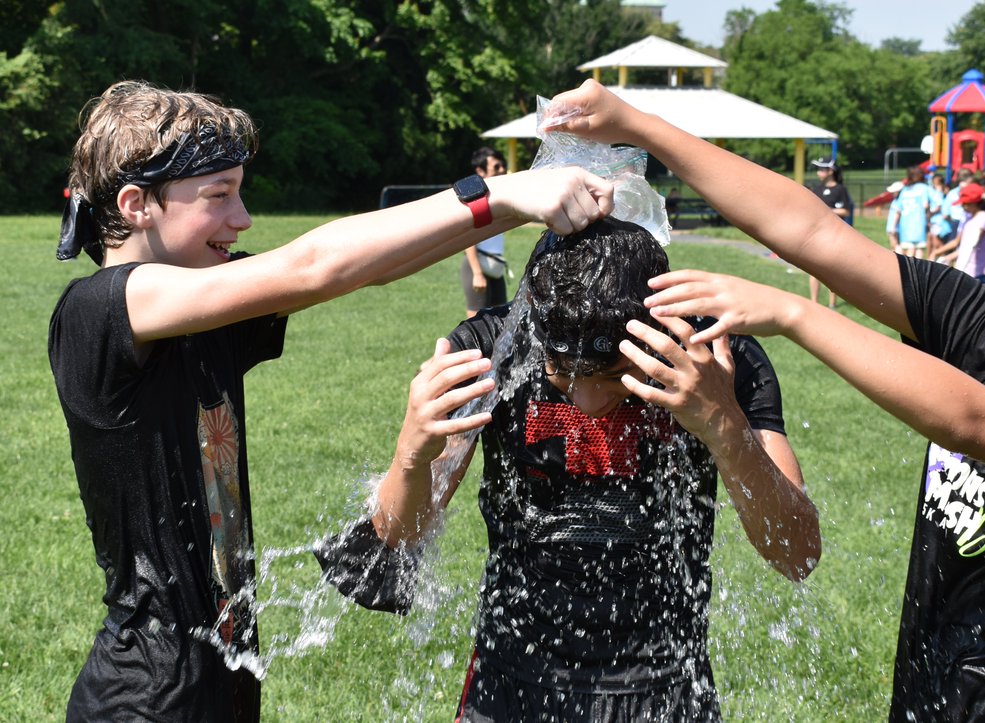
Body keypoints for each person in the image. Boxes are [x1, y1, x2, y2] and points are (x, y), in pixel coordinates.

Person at [546, 78, 985, 722]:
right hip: (930, 688)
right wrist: (637, 125)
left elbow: (970, 419)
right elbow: (813, 233)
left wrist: (793, 313)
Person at [48, 80, 613, 722]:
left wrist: (530, 206)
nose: (243, 218)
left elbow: (362, 265)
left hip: (219, 677)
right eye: (218, 196)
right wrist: (498, 195)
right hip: (143, 692)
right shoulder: (100, 310)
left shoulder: (199, 309)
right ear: (136, 204)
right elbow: (313, 264)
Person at [317, 217, 820, 721]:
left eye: (615, 376)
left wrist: (725, 426)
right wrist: (411, 453)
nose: (589, 399)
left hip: (665, 681)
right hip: (511, 673)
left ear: (658, 327)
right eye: (563, 375)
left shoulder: (716, 361)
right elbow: (401, 540)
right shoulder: (494, 349)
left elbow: (796, 554)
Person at [462, 147, 509, 318]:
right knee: (476, 322)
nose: (502, 169)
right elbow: (469, 239)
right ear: (480, 171)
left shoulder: (498, 197)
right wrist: (477, 273)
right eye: (496, 167)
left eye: (503, 165)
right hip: (478, 265)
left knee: (501, 320)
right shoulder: (476, 199)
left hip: (495, 267)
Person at [931, 182, 985, 287]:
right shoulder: (967, 218)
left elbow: (972, 244)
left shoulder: (983, 217)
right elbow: (957, 243)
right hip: (967, 271)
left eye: (965, 203)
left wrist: (957, 262)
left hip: (981, 272)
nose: (962, 206)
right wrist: (938, 253)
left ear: (974, 203)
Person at [809, 156, 853, 308]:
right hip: (817, 234)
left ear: (830, 171)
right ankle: (814, 303)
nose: (818, 172)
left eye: (822, 169)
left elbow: (845, 211)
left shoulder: (840, 190)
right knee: (813, 269)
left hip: (833, 235)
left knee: (831, 271)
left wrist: (827, 211)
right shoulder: (817, 189)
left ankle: (832, 304)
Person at [887, 166, 934, 259]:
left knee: (909, 249)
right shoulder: (925, 188)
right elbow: (927, 205)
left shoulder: (905, 190)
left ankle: (909, 270)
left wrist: (893, 226)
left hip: (905, 225)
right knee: (919, 249)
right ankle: (917, 271)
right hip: (919, 223)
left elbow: (898, 210)